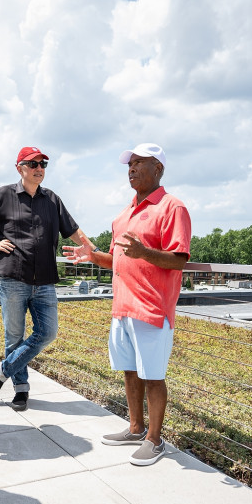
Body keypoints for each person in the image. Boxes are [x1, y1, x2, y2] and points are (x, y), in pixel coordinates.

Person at [63, 143, 191, 466]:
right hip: (121, 308)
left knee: (153, 376)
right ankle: (135, 428)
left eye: (139, 163)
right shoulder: (122, 216)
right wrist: (92, 256)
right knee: (130, 371)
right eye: (129, 164)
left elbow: (178, 260)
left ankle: (154, 440)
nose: (131, 169)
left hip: (151, 308)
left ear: (158, 169)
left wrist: (145, 253)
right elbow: (116, 259)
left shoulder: (172, 209)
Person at [0, 147, 93, 411]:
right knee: (14, 336)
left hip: (46, 280)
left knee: (48, 332)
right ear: (20, 168)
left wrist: (93, 251)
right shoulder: (2, 195)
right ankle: (21, 390)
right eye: (33, 164)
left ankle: (0, 371)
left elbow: (72, 229)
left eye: (43, 164)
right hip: (13, 276)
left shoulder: (52, 199)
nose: (39, 168)